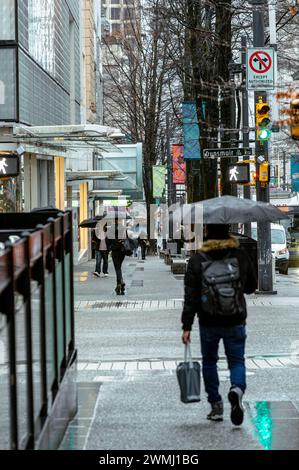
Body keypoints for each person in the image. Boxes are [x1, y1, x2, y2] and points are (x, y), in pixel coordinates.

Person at [181, 224, 257, 425]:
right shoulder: (239, 255)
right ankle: (237, 389)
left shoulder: (198, 260)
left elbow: (191, 297)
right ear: (228, 231)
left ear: (206, 233)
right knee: (237, 361)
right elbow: (251, 287)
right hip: (236, 318)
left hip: (208, 320)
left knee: (209, 362)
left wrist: (186, 326)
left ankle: (216, 405)